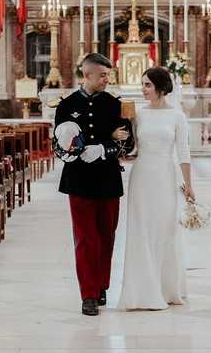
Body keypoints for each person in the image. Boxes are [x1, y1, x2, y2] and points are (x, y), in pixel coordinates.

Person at [54, 53, 132, 316]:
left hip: (108, 178)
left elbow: (128, 142)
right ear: (87, 75)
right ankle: (87, 294)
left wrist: (104, 148)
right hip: (78, 180)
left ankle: (101, 285)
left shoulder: (114, 105)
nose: (107, 80)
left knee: (106, 236)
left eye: (108, 75)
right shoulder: (66, 105)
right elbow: (59, 145)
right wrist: (80, 150)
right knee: (85, 239)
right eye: (102, 75)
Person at [118, 65, 195, 311]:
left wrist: (189, 185)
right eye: (142, 84)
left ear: (161, 87)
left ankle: (166, 289)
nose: (143, 89)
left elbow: (183, 152)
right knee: (141, 229)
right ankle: (142, 290)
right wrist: (122, 142)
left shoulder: (177, 116)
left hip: (164, 176)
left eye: (148, 85)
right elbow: (131, 149)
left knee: (164, 229)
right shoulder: (138, 114)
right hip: (141, 176)